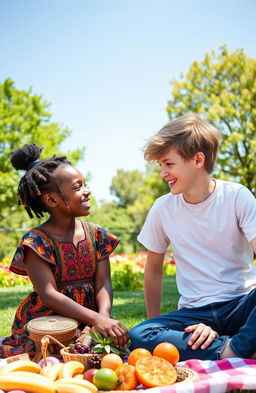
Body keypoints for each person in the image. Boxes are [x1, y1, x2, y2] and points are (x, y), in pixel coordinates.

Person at [130, 113, 256, 361]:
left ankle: (234, 346)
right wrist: (157, 327)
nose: (163, 173)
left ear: (198, 159)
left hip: (241, 303)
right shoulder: (163, 208)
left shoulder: (237, 196)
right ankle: (234, 346)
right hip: (194, 314)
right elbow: (153, 270)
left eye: (168, 164)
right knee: (141, 334)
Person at [0, 143, 129, 358]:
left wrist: (103, 317)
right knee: (49, 352)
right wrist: (95, 320)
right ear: (51, 200)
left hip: (92, 316)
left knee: (111, 347)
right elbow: (48, 295)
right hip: (49, 321)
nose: (87, 191)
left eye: (85, 184)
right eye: (77, 187)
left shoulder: (97, 235)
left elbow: (103, 282)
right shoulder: (36, 241)